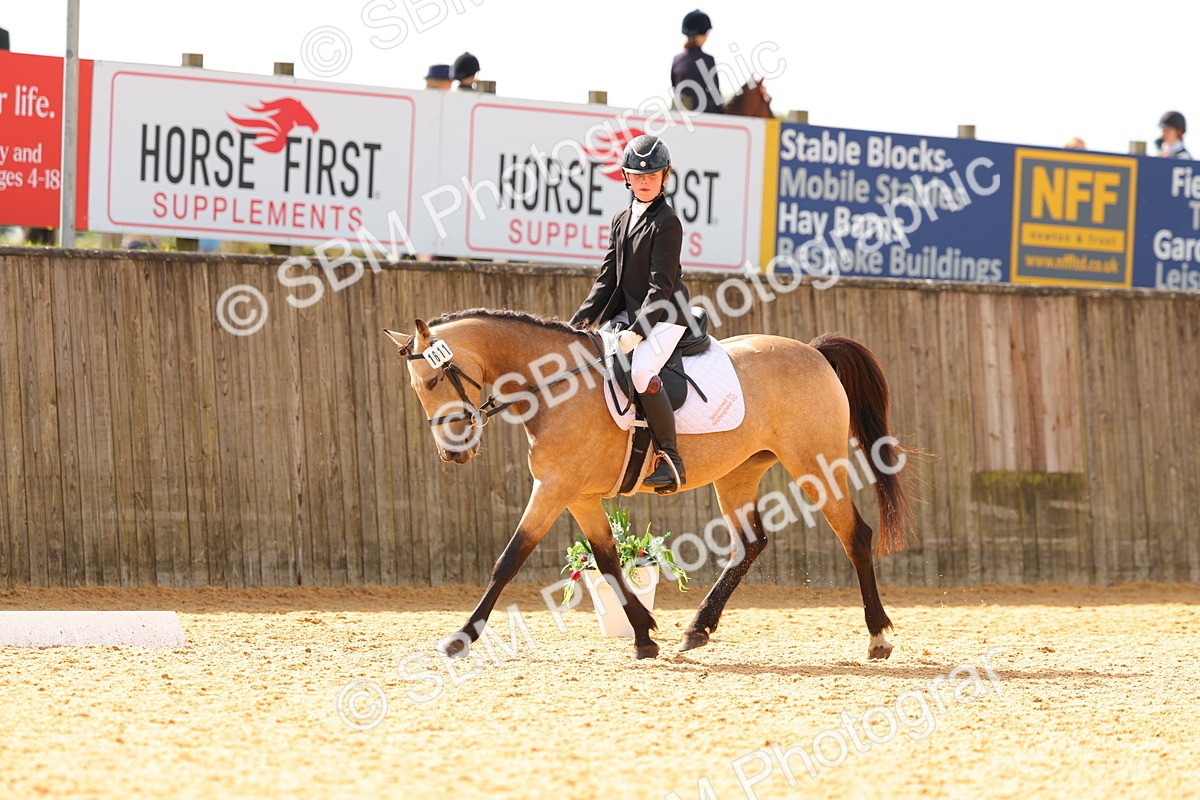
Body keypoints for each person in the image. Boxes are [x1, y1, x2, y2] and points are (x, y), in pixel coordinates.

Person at [570, 134, 691, 492]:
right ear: (625, 177)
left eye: (651, 175)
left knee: (640, 373)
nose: (644, 181)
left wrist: (637, 331)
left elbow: (661, 286)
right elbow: (608, 279)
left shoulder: (667, 222)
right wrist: (577, 324)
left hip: (665, 316)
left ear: (664, 177)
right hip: (627, 318)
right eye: (637, 176)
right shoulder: (621, 218)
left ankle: (671, 459)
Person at [671, 10, 723, 114]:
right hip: (701, 115)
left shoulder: (677, 59)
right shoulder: (707, 60)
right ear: (702, 35)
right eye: (706, 33)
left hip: (676, 111)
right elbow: (716, 96)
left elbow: (674, 86)